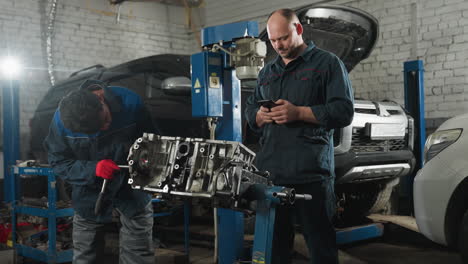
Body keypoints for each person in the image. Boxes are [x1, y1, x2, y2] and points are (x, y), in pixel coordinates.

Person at [244, 9, 354, 264]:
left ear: (299, 30)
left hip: (310, 174)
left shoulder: (327, 64)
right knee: (275, 249)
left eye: (283, 38)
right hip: (272, 174)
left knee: (321, 248)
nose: (278, 45)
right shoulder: (268, 71)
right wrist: (260, 115)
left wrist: (299, 113)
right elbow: (251, 109)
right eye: (273, 41)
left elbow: (343, 112)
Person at [44, 79, 157, 264]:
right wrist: (92, 169)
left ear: (101, 98)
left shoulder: (130, 103)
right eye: (96, 129)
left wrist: (145, 166)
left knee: (139, 254)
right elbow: (59, 161)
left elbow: (154, 144)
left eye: (106, 120)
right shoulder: (61, 121)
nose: (105, 127)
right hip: (89, 191)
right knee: (85, 255)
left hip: (132, 187)